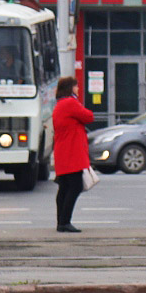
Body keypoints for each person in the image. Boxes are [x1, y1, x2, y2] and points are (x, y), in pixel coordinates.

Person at [52, 76, 94, 233]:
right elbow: (89, 116)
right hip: (71, 152)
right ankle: (65, 222)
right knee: (75, 186)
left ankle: (61, 221)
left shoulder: (60, 104)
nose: (78, 89)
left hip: (63, 152)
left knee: (64, 188)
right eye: (76, 87)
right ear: (70, 88)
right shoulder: (70, 103)